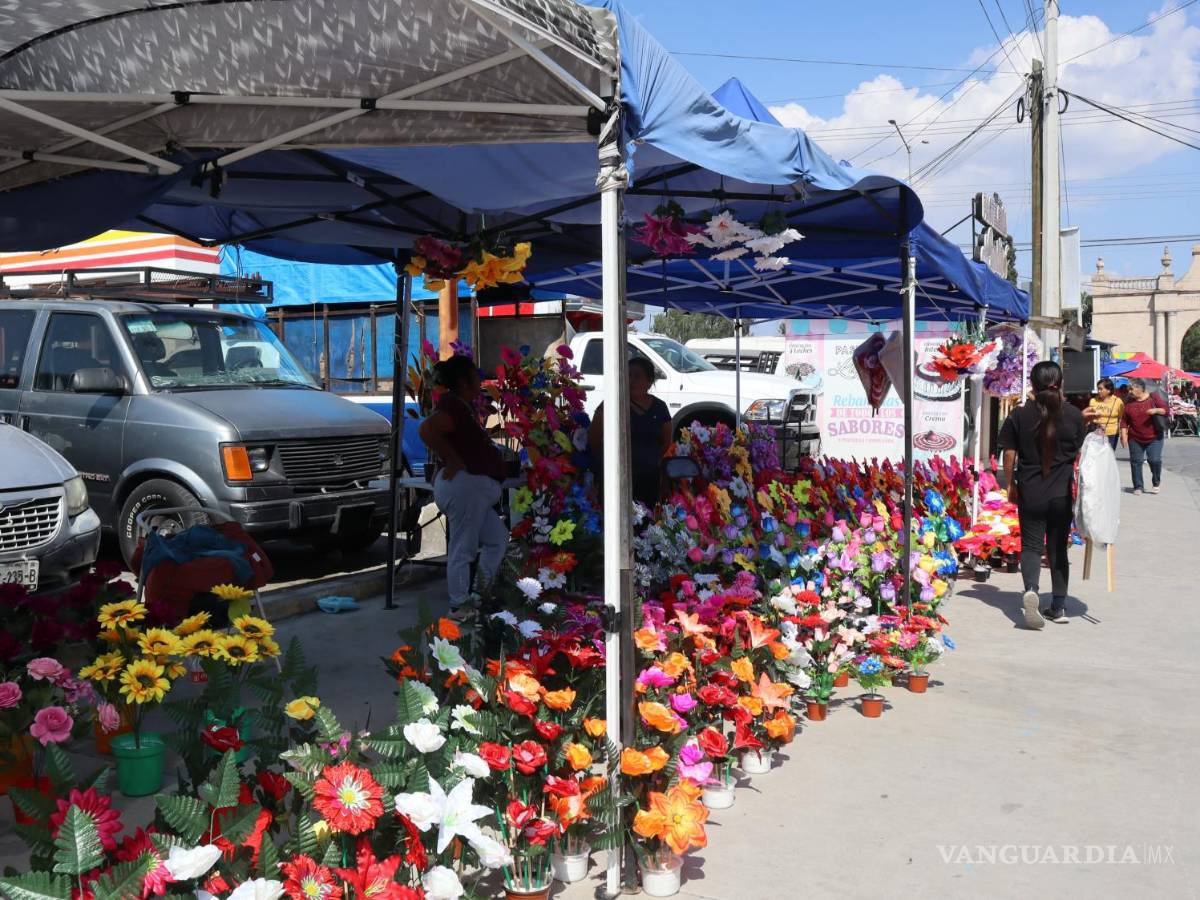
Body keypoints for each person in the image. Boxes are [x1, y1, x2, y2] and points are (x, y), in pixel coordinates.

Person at [999, 360, 1086, 629]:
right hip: (1061, 494)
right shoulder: (1074, 415)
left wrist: (1010, 484)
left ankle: (1032, 589)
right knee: (1058, 548)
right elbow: (1078, 451)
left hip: (1030, 490)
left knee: (1032, 546)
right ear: (1060, 383)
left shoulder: (1018, 415)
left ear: (1033, 384)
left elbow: (1009, 452)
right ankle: (1058, 606)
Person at [418, 355, 508, 612]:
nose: (480, 381)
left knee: (497, 539)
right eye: (475, 376)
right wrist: (452, 458)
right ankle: (460, 604)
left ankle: (479, 594)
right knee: (463, 547)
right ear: (463, 381)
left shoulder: (460, 406)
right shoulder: (452, 407)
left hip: (474, 492)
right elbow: (426, 430)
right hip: (465, 488)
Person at [589, 357, 673, 511]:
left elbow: (666, 442)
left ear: (649, 381)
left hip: (648, 479)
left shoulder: (659, 408)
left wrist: (647, 457)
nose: (631, 380)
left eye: (637, 376)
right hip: (617, 480)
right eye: (628, 375)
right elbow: (594, 439)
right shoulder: (610, 404)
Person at [1120, 377, 1170, 495]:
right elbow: (1124, 421)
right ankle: (1138, 486)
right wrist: (1124, 436)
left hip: (1154, 437)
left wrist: (1156, 410)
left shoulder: (1153, 397)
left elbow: (1166, 410)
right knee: (1136, 462)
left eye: (1131, 389)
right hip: (1135, 438)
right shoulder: (1128, 402)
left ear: (1140, 388)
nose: (1129, 391)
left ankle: (1156, 481)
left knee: (1154, 460)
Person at [1087, 377, 1124, 450]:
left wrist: (1123, 434)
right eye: (1098, 389)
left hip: (1111, 434)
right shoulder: (1093, 401)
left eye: (1101, 389)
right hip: (1096, 433)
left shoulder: (1117, 401)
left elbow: (1122, 418)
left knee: (1108, 456)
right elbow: (1089, 417)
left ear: (1109, 390)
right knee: (1096, 456)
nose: (1099, 391)